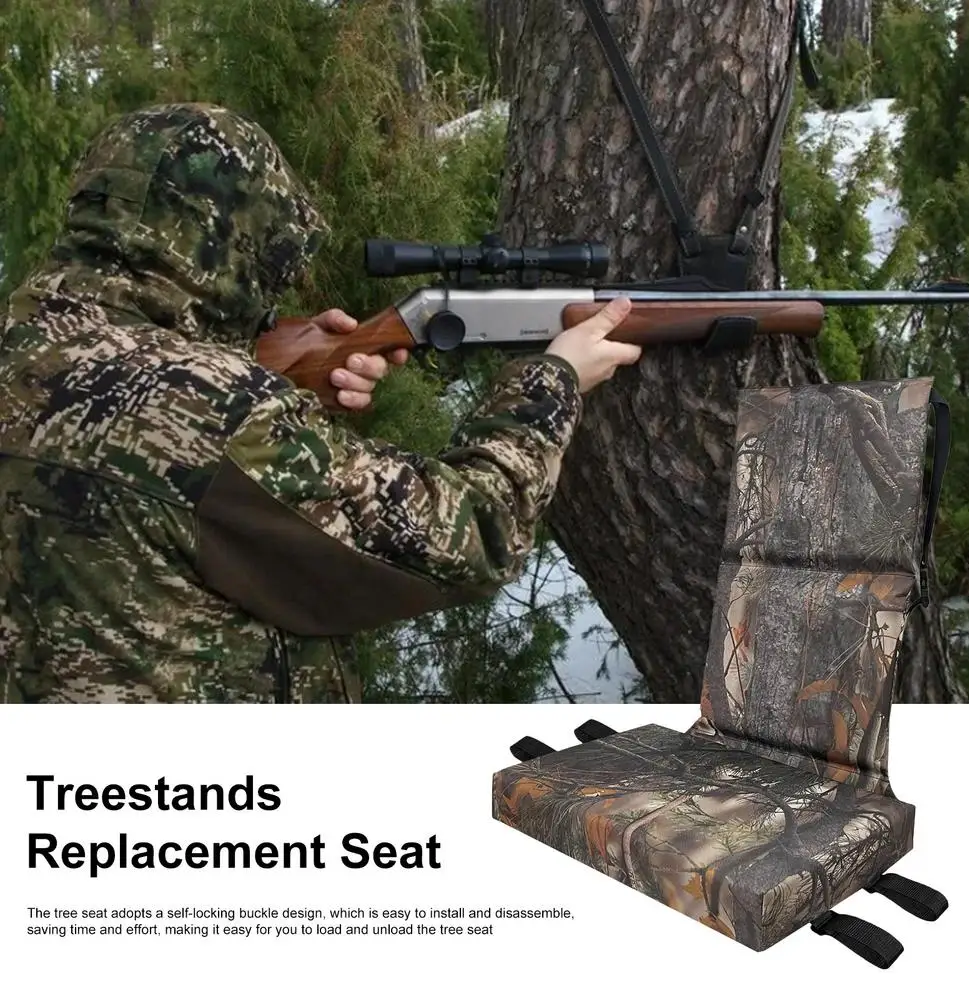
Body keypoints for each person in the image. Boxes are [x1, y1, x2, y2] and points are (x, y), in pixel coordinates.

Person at [0, 103, 640, 704]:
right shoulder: (214, 406)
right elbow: (473, 535)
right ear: (228, 245)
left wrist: (281, 387)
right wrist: (553, 379)